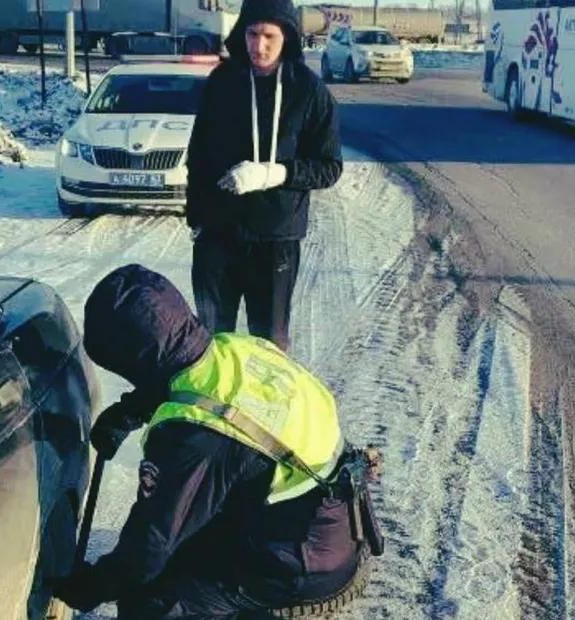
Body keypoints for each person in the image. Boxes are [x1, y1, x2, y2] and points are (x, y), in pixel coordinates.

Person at [52, 264, 381, 619]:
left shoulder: (192, 440)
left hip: (300, 564)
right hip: (336, 523)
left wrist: (92, 586)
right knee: (193, 524)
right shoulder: (235, 348)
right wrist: (129, 412)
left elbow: (149, 548)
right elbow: (198, 384)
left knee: (151, 596)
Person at [185, 0, 343, 352]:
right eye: (252, 34)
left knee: (268, 344)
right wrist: (196, 217)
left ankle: (264, 407)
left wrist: (275, 174)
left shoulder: (309, 91)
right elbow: (197, 156)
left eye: (269, 36)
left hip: (275, 242)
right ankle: (213, 406)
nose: (259, 46)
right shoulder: (222, 82)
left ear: (287, 36)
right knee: (210, 340)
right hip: (218, 235)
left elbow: (330, 166)